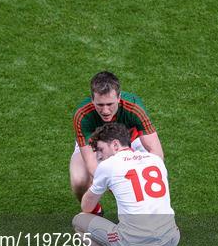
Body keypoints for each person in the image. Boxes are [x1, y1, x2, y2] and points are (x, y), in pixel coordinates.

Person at [72, 123, 180, 246]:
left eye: (100, 150)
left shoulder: (108, 166)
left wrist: (97, 184)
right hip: (170, 243)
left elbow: (86, 206)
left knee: (78, 222)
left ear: (115, 145)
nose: (99, 156)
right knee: (157, 210)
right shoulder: (155, 159)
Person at [69, 71, 164, 215]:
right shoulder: (82, 115)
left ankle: (149, 213)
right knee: (79, 181)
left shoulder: (133, 107)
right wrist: (116, 183)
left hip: (129, 140)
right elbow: (91, 164)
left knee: (146, 176)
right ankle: (95, 212)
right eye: (100, 104)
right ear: (92, 99)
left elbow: (157, 155)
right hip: (96, 143)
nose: (105, 111)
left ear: (119, 98)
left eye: (110, 104)